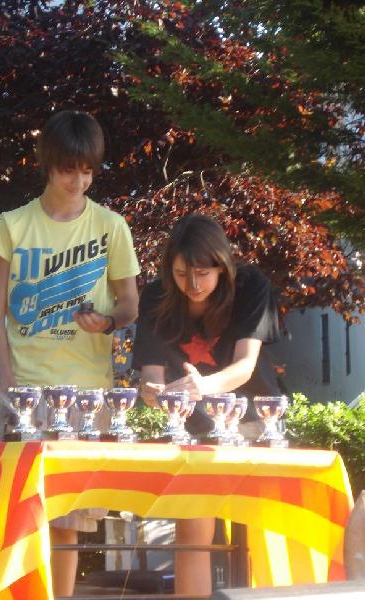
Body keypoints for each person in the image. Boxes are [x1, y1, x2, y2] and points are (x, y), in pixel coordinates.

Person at [0, 110, 140, 596]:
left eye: (89, 170)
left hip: (87, 395)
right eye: (70, 169)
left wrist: (110, 320)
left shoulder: (112, 226)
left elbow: (131, 302)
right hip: (26, 389)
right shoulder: (13, 225)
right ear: (47, 165)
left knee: (68, 523)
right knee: (16, 520)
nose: (80, 180)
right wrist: (8, 382)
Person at [132, 214, 281, 596]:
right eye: (182, 274)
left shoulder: (251, 286)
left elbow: (245, 367)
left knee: (263, 537)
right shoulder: (154, 296)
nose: (193, 285)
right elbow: (151, 377)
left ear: (222, 267)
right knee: (193, 534)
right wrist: (153, 394)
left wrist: (204, 386)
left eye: (203, 273)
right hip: (192, 430)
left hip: (255, 422)